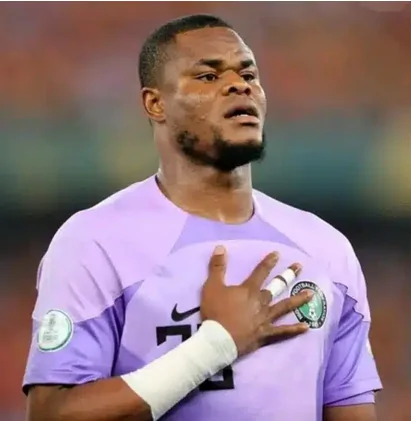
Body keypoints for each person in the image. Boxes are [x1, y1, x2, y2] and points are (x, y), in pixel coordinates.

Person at [23, 14, 382, 421]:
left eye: (248, 74)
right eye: (208, 76)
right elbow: (52, 413)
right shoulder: (94, 241)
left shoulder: (326, 250)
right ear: (155, 103)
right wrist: (215, 347)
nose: (238, 85)